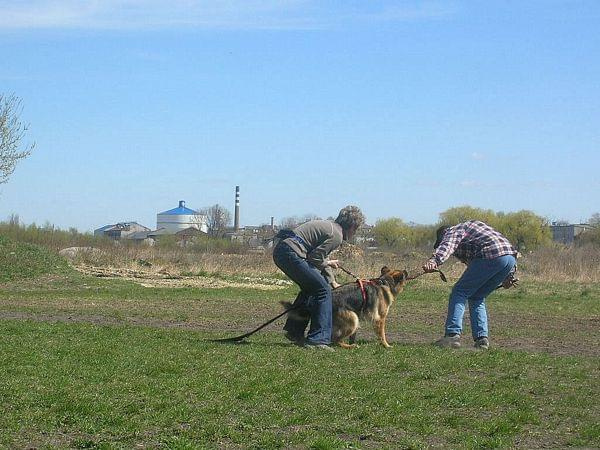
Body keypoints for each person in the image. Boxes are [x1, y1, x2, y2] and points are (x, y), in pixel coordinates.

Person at [272, 205, 365, 351]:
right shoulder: (337, 235)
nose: (355, 233)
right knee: (323, 291)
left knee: (312, 289)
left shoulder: (331, 228)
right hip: (290, 253)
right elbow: (316, 258)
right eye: (356, 229)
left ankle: (294, 331)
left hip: (284, 251)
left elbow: (322, 257)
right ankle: (318, 339)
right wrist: (328, 266)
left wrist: (332, 280)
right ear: (352, 226)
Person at [422, 220, 518, 349]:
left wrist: (435, 260)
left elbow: (448, 245)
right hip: (509, 258)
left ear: (442, 236)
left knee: (459, 291)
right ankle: (481, 339)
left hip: (490, 254)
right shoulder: (474, 234)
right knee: (477, 296)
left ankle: (452, 336)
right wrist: (508, 276)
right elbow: (497, 250)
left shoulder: (452, 231)